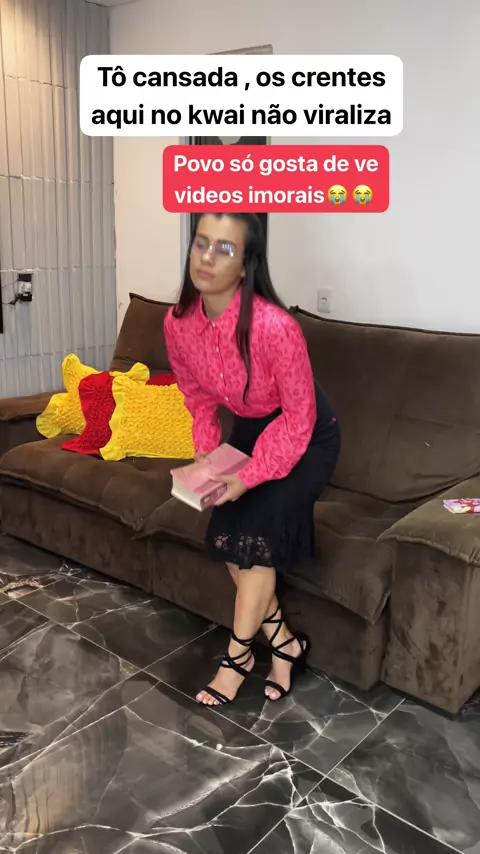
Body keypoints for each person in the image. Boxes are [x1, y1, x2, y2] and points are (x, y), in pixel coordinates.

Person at [164, 212, 340, 706]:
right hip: (253, 427)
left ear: (246, 264)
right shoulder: (178, 323)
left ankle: (237, 658)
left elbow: (300, 419)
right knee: (229, 538)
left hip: (307, 435)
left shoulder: (276, 328)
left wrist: (252, 475)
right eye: (201, 242)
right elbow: (197, 394)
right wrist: (206, 450)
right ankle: (285, 644)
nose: (206, 257)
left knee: (254, 542)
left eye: (224, 248)